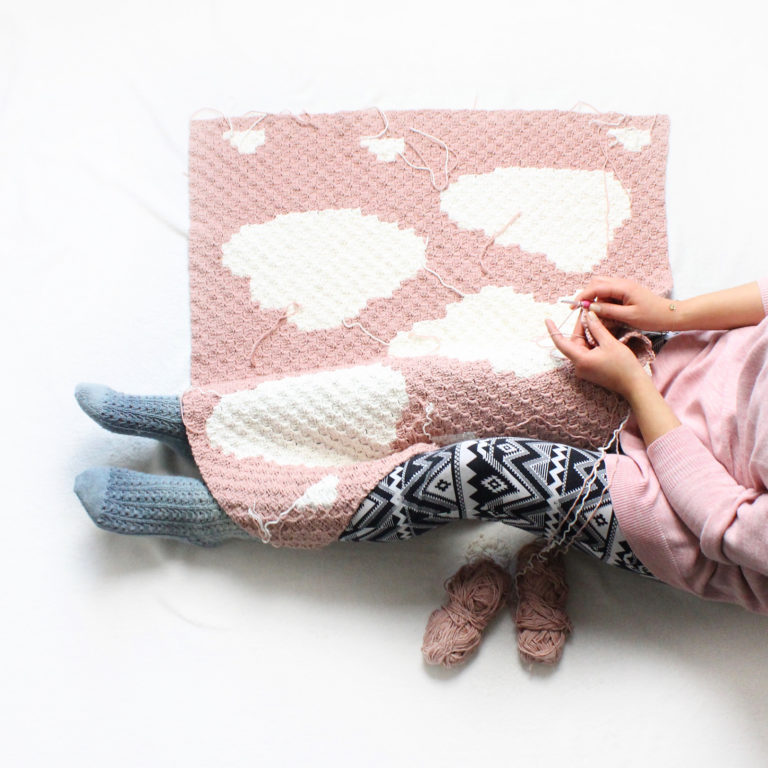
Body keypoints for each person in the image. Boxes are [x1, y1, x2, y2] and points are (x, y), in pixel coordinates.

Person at [73, 276, 768, 615]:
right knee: (452, 382)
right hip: (684, 369)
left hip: (680, 515)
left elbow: (726, 526)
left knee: (474, 470)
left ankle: (234, 513)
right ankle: (205, 421)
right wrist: (672, 316)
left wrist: (635, 391)